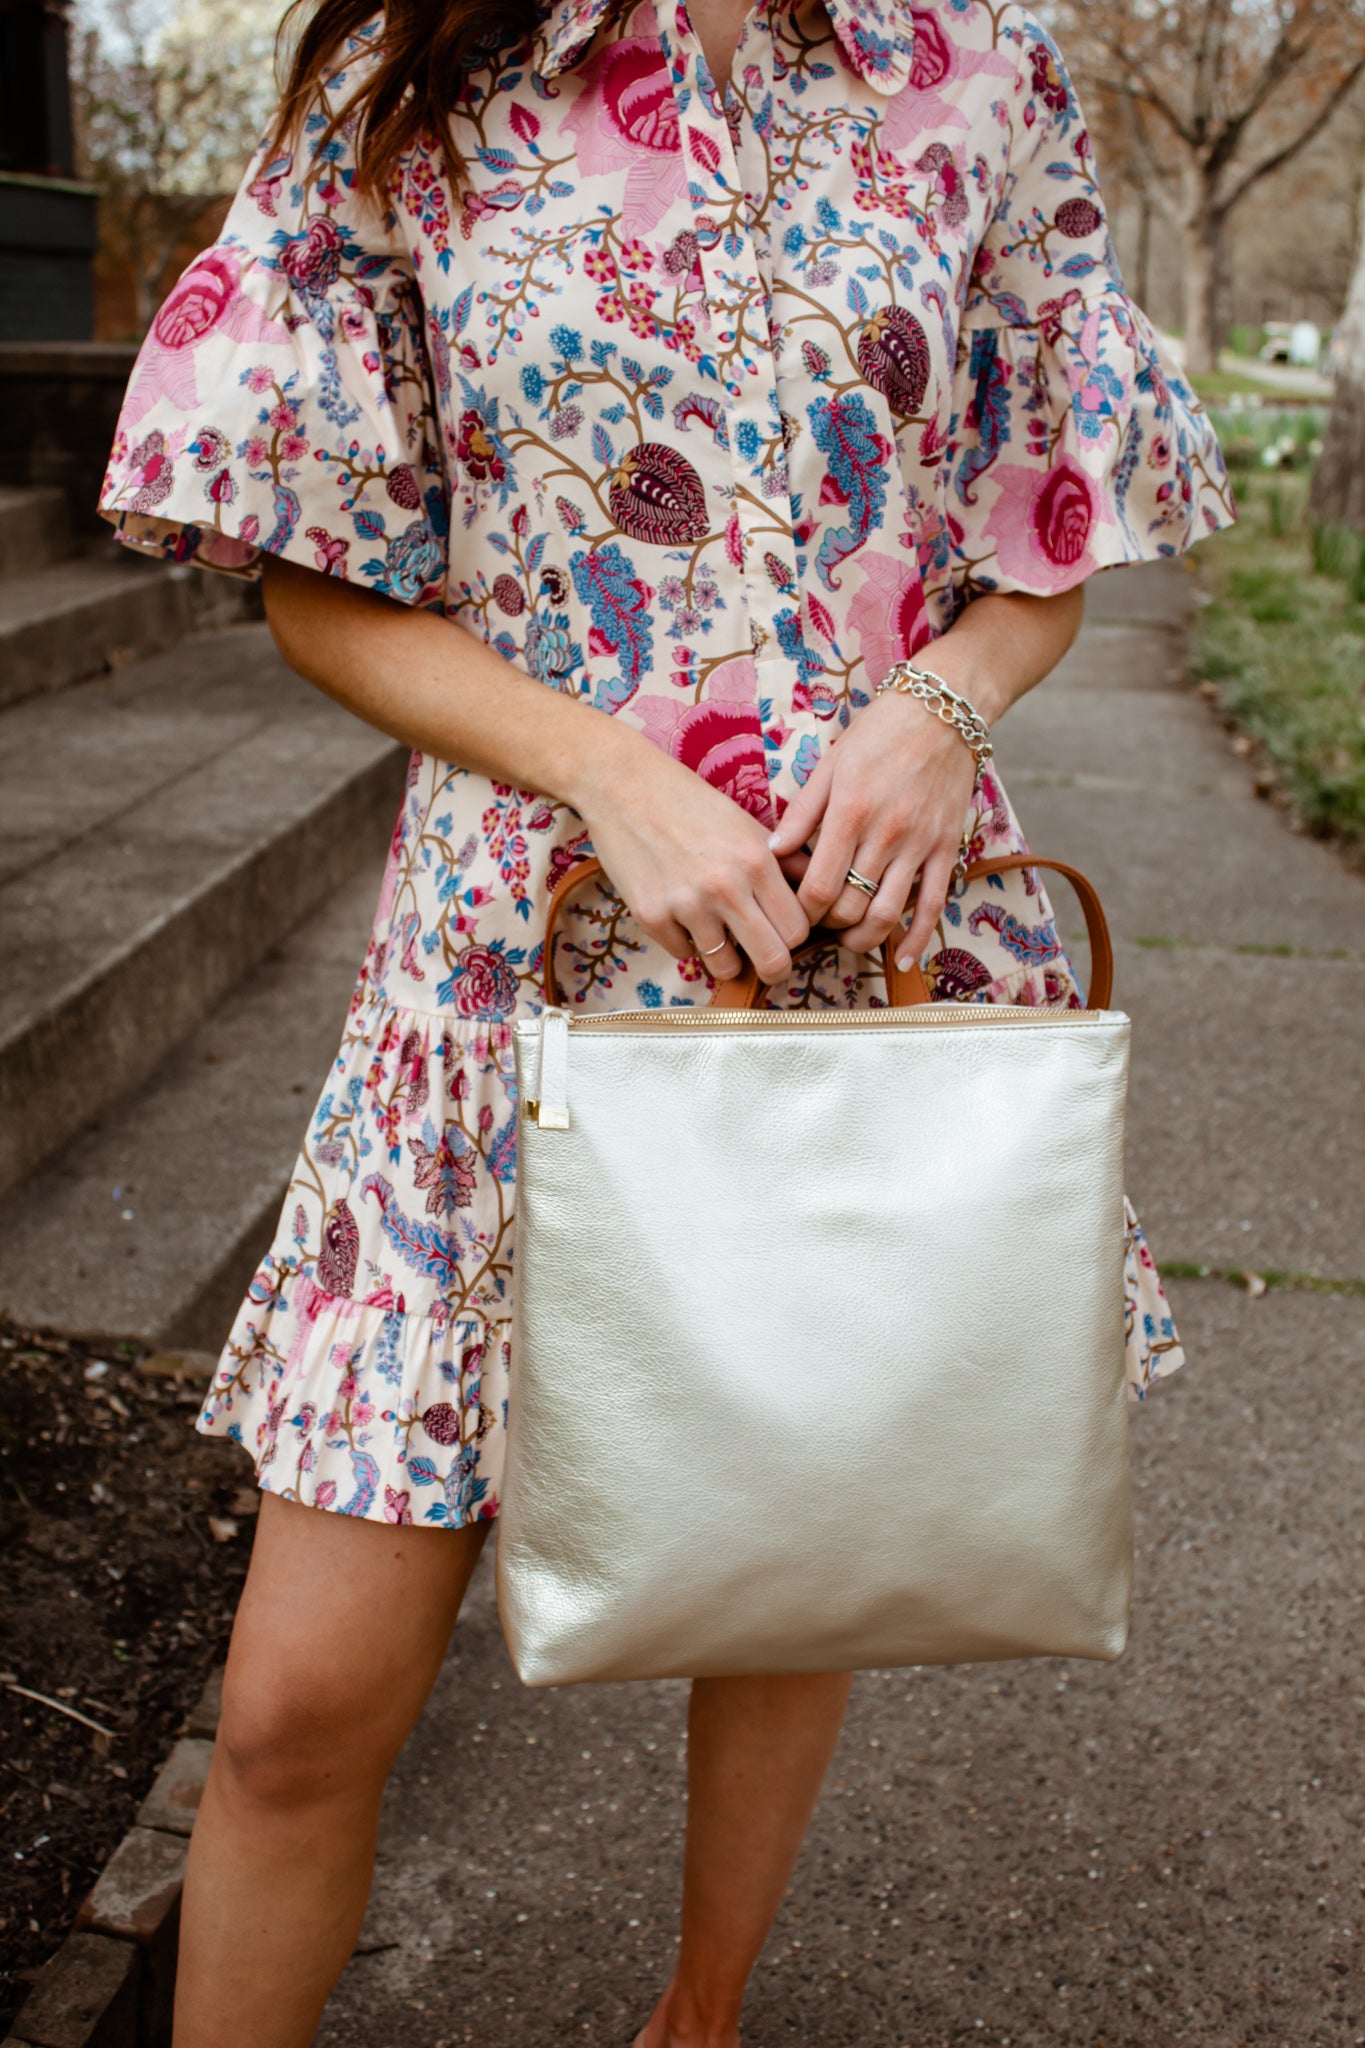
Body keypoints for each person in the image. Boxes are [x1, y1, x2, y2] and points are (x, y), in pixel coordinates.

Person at [98, 0, 1234, 2038]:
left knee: (791, 1540)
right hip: (501, 968)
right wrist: (609, 775)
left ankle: (697, 2016)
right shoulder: (416, 70)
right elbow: (306, 572)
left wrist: (936, 709)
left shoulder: (971, 65)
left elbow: (1040, 524)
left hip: (860, 946)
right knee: (286, 1710)